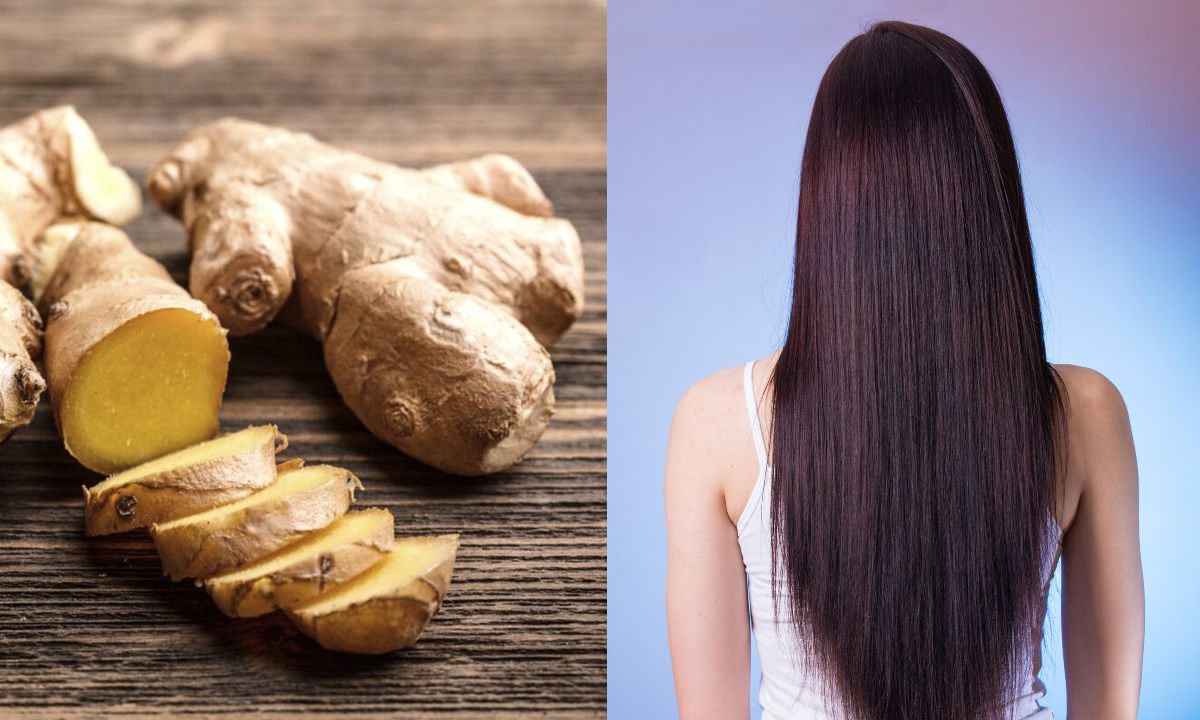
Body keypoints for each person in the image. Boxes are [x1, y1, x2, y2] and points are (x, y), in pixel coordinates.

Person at [665, 21, 1143, 720]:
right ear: (988, 199)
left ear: (826, 206)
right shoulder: (1088, 413)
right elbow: (1109, 710)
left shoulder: (714, 423)